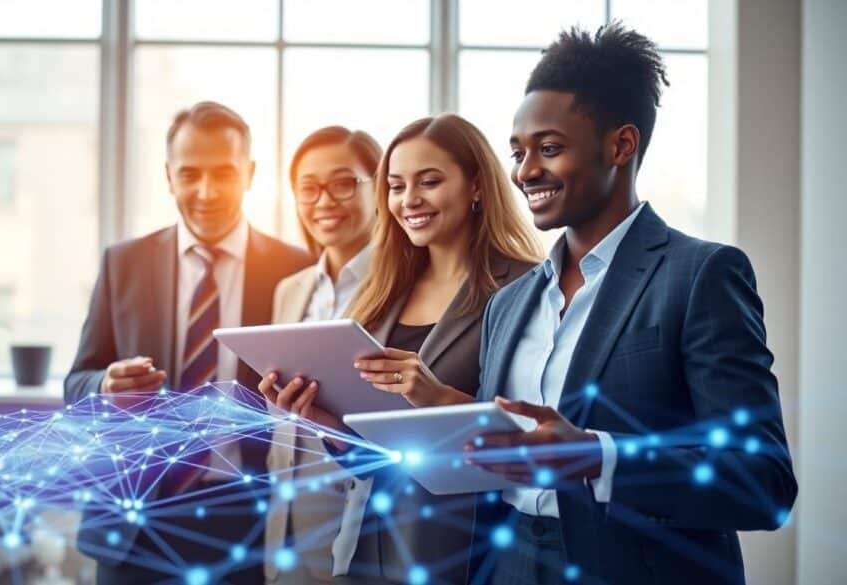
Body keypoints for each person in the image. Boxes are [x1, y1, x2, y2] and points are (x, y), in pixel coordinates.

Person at [465, 23, 797, 585]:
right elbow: (483, 453)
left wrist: (600, 456)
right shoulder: (508, 303)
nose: (525, 172)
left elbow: (762, 482)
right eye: (518, 153)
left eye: (549, 149)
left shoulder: (701, 276)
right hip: (509, 562)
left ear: (621, 145)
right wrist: (341, 426)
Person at [259, 114, 542, 584]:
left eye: (429, 182)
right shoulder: (385, 290)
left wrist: (436, 399)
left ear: (476, 186)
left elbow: (534, 436)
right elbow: (374, 456)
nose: (409, 200)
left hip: (468, 550)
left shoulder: (526, 287)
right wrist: (327, 425)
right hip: (370, 545)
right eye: (396, 186)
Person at [65, 101, 313, 584]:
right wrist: (104, 388)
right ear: (168, 176)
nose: (205, 191)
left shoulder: (295, 271)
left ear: (251, 173)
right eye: (189, 173)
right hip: (136, 524)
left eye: (223, 172)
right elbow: (76, 382)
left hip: (248, 523)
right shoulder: (124, 265)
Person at [262, 126, 383, 584]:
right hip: (285, 529)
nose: (324, 201)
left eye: (343, 183)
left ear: (379, 186)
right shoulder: (289, 290)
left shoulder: (405, 289)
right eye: (308, 189)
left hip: (357, 526)